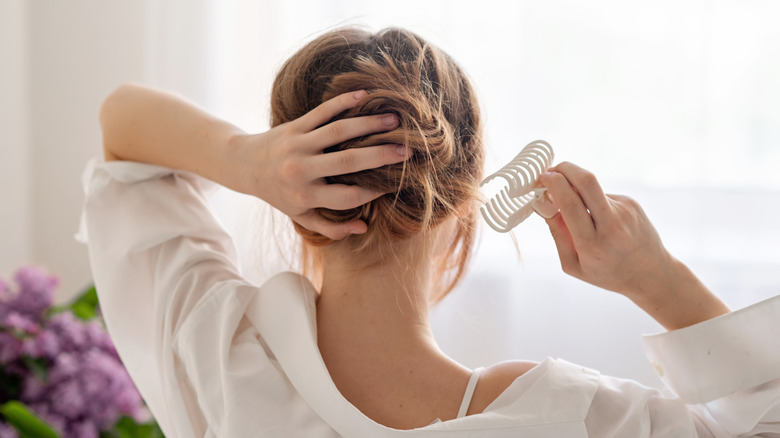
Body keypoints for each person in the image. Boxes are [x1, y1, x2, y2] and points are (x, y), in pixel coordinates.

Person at [79, 27, 780, 437]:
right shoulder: (568, 419)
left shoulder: (215, 351)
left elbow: (121, 127)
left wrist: (244, 160)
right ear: (461, 204)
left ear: (292, 186)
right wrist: (653, 276)